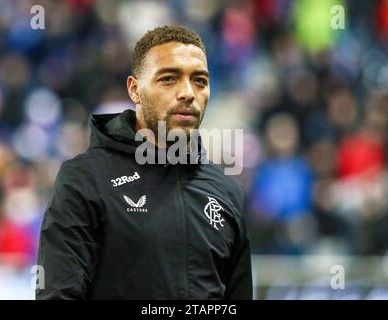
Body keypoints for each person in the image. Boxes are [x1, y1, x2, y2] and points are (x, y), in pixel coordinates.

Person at [36, 25, 252, 300]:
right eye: (169, 79)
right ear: (135, 90)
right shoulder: (86, 179)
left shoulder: (227, 192)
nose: (188, 92)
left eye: (199, 80)